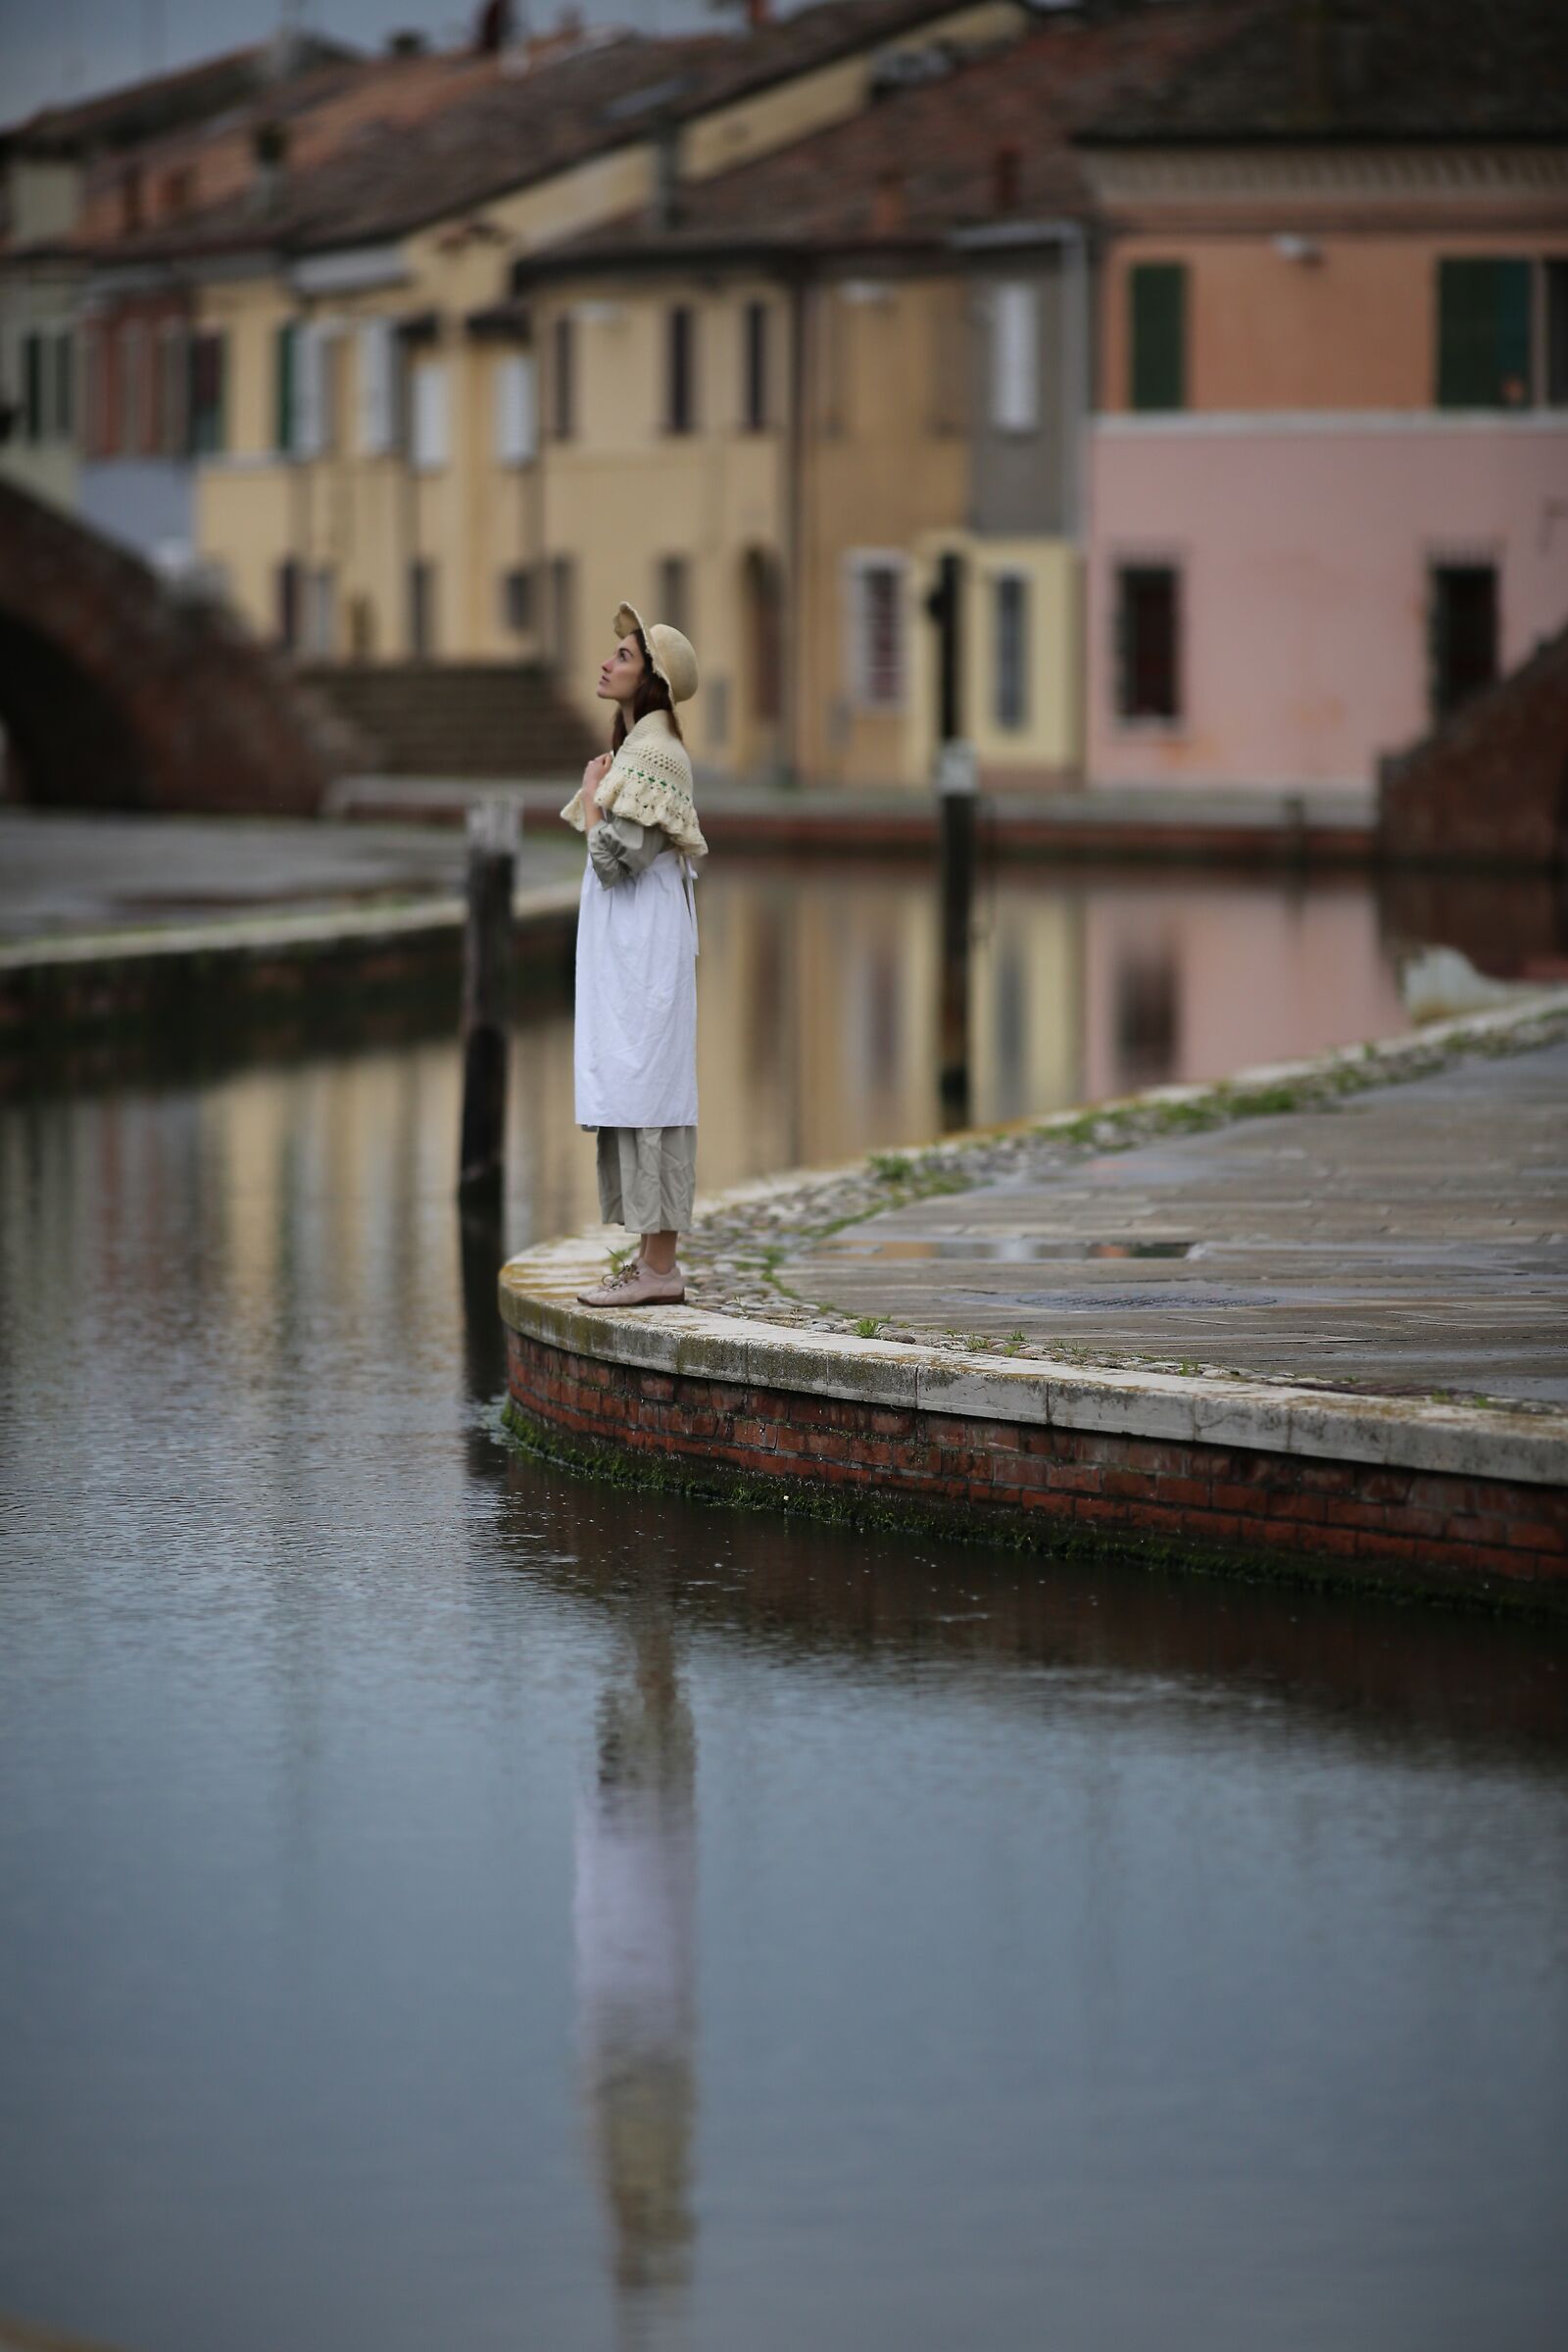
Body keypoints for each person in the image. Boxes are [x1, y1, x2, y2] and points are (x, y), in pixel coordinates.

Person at [561, 601, 707, 1307]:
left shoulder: (654, 753)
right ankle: (651, 1265)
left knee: (654, 1088)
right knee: (637, 1083)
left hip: (646, 944)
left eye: (623, 655)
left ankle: (659, 1271)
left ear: (651, 680)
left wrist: (593, 803)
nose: (606, 662)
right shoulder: (636, 749)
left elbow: (622, 857)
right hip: (633, 944)